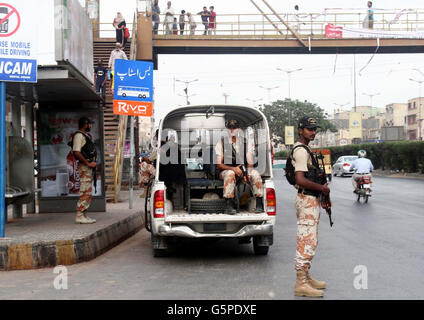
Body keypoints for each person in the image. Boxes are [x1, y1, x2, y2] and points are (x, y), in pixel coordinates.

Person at [291, 116, 331, 297]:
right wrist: (322, 188)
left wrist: (322, 194)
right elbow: (300, 179)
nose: (313, 132)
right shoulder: (301, 151)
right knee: (307, 241)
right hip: (306, 200)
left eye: (315, 129)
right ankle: (301, 283)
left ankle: (306, 277)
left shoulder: (305, 148)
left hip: (310, 199)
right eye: (309, 129)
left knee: (311, 239)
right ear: (301, 130)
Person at [215, 119, 264, 215]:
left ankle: (259, 203)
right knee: (230, 174)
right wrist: (233, 169)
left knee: (255, 174)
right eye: (230, 128)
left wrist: (248, 173)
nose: (232, 130)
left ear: (239, 129)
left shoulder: (245, 142)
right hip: (226, 170)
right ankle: (228, 205)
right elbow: (219, 164)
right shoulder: (221, 142)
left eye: (235, 128)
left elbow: (250, 161)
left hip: (242, 170)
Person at [72, 117, 98, 224]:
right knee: (84, 190)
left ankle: (83, 214)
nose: (91, 126)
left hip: (88, 167)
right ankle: (79, 215)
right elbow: (76, 152)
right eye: (89, 124)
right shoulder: (79, 136)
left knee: (88, 191)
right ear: (85, 124)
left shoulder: (84, 136)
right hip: (84, 167)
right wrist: (87, 163)